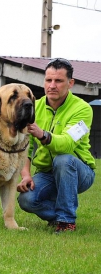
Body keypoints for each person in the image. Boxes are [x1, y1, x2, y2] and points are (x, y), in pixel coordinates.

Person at [17, 58, 96, 233]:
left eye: (58, 81)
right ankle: (57, 216)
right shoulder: (34, 107)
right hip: (46, 173)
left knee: (64, 160)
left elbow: (67, 145)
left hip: (79, 171)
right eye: (48, 80)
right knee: (26, 200)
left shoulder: (83, 109)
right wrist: (26, 175)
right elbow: (25, 147)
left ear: (71, 83)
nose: (52, 85)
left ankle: (67, 222)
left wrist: (43, 135)